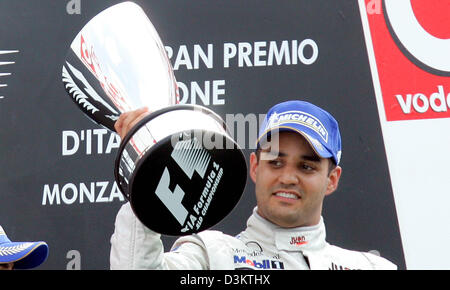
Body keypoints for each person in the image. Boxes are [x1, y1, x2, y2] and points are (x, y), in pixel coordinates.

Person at [110, 100, 397, 270]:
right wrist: (144, 170)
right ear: (256, 167)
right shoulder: (213, 256)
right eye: (275, 162)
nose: (287, 177)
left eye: (306, 166)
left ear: (331, 180)